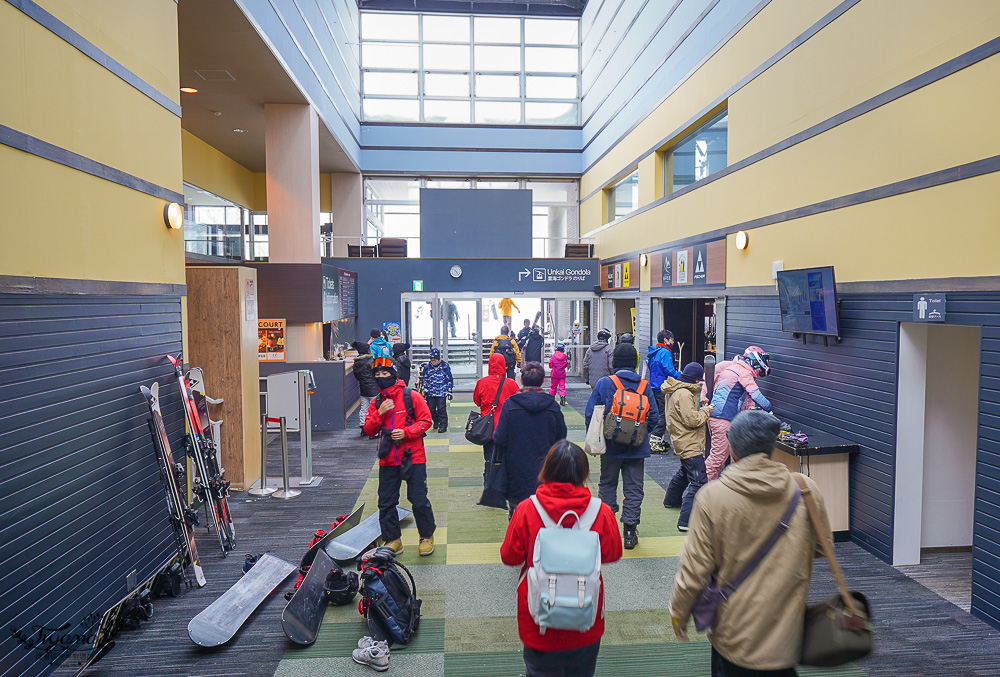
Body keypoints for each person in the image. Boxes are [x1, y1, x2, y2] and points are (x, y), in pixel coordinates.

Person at [669, 410, 830, 677]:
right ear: (772, 446)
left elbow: (693, 570)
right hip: (786, 631)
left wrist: (678, 613)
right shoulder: (805, 489)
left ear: (733, 447)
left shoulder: (713, 496)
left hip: (734, 635)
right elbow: (822, 548)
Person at [500, 441, 622, 677]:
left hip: (538, 619)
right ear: (584, 473)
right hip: (585, 616)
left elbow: (509, 557)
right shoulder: (601, 511)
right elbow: (613, 553)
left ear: (547, 470)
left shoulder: (527, 509)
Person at [584, 343, 658, 550]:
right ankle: (629, 532)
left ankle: (606, 532)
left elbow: (591, 414)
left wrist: (599, 438)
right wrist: (638, 435)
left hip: (610, 447)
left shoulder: (605, 383)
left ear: (614, 362)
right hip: (637, 448)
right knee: (634, 488)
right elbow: (654, 417)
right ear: (634, 363)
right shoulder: (644, 385)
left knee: (607, 485)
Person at [362, 357, 437, 556]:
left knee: (419, 499)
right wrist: (379, 413)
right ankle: (393, 539)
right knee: (386, 502)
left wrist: (407, 432)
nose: (381, 377)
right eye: (377, 374)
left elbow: (426, 420)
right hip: (388, 459)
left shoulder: (411, 396)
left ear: (393, 374)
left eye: (385, 373)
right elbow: (369, 430)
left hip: (413, 457)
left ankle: (426, 536)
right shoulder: (377, 401)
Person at [493, 362, 567, 511]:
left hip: (516, 467)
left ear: (521, 380)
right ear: (543, 381)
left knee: (518, 512)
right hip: (546, 468)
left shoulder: (510, 404)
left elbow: (499, 437)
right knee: (543, 512)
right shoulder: (552, 406)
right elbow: (561, 437)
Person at [707, 346, 772, 481]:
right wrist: (770, 410)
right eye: (759, 368)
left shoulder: (735, 368)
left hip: (720, 416)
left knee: (728, 457)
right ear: (755, 361)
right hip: (723, 418)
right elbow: (756, 395)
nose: (759, 372)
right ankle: (702, 490)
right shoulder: (744, 372)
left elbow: (745, 400)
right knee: (717, 460)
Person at [661, 362, 713, 531]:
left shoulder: (677, 390)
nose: (701, 384)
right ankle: (686, 521)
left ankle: (671, 500)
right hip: (688, 441)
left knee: (685, 473)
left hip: (681, 439)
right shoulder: (683, 394)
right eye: (700, 381)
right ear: (694, 380)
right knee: (699, 481)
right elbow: (692, 420)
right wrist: (707, 410)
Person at [473, 353, 520, 480]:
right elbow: (517, 403)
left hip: (488, 428)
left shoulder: (481, 383)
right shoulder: (510, 383)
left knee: (489, 458)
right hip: (507, 428)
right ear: (503, 365)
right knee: (507, 458)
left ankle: (489, 481)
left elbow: (477, 401)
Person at [647, 330, 683, 453]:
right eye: (671, 339)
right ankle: (655, 440)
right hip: (663, 387)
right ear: (665, 340)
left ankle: (658, 439)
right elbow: (668, 370)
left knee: (657, 413)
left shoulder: (653, 352)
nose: (673, 342)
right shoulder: (665, 352)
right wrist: (680, 374)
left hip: (654, 386)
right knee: (664, 414)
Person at [420, 348, 453, 433]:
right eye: (431, 360)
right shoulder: (427, 367)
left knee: (441, 409)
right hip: (430, 392)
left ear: (438, 359)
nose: (433, 362)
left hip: (441, 392)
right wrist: (425, 388)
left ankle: (443, 425)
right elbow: (425, 379)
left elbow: (449, 379)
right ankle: (436, 420)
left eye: (434, 360)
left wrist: (449, 390)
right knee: (431, 409)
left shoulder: (445, 366)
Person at [351, 342, 379, 434]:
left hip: (363, 388)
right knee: (374, 408)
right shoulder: (371, 362)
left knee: (364, 408)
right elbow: (377, 374)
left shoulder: (356, 363)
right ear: (367, 350)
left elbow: (357, 377)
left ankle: (363, 426)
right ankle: (372, 427)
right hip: (374, 389)